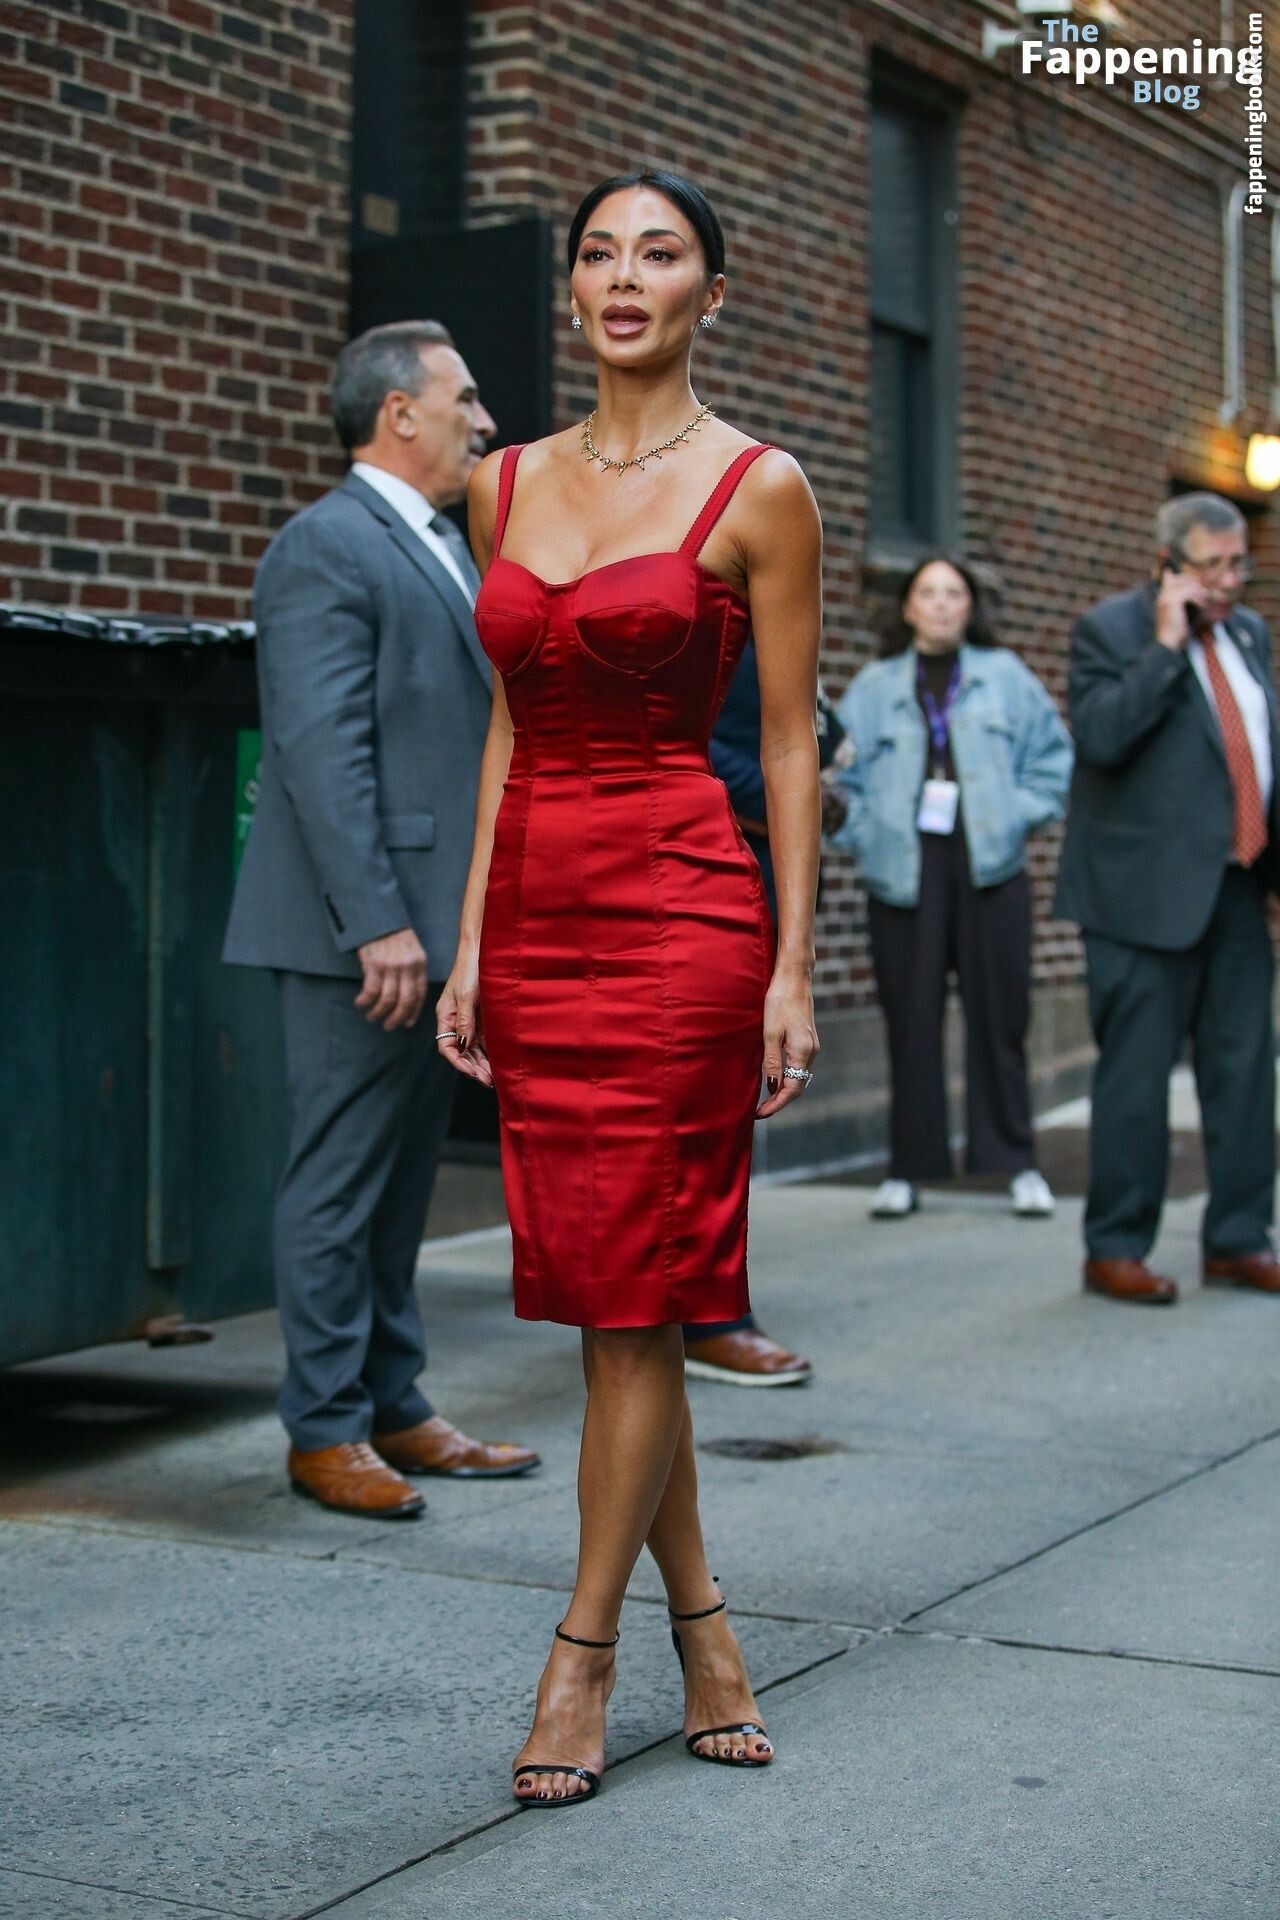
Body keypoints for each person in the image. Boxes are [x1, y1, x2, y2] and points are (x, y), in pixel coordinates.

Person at [437, 169, 822, 1805]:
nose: (622, 275)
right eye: (598, 252)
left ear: (707, 294)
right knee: (620, 1300)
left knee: (635, 1296)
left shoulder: (760, 487)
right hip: (539, 910)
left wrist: (794, 965)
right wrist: (472, 938)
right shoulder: (503, 480)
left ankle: (579, 1655)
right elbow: (507, 720)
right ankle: (707, 1629)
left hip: (681, 910)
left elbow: (790, 744)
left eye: (658, 254)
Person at [223, 321, 539, 1518]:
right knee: (336, 1184)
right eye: (465, 400)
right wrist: (376, 925)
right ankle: (324, 1429)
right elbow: (319, 753)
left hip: (427, 932)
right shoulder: (324, 545)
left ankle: (395, 1402)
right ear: (398, 413)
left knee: (402, 1183)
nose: (486, 423)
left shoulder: (444, 547)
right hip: (359, 940)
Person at [1054, 493, 1280, 1305]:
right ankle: (1114, 1247)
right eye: (1213, 567)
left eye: (1238, 565)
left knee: (1246, 1074)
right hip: (1139, 900)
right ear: (1168, 564)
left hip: (1235, 888)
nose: (1230, 581)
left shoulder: (1248, 633)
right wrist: (1165, 645)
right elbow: (1102, 737)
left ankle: (1239, 1239)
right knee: (1136, 1083)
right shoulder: (1109, 631)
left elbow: (1256, 751)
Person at [827, 556, 1072, 1220]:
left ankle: (1017, 1162)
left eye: (953, 593)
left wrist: (1016, 816)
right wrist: (869, 834)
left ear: (970, 606)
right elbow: (839, 780)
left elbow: (1052, 760)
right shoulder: (874, 687)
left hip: (991, 867)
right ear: (907, 607)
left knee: (1002, 1018)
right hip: (904, 872)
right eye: (927, 593)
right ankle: (908, 1170)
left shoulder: (1006, 677)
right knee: (910, 1022)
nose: (940, 604)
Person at [680, 633, 814, 1389]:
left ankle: (708, 1305)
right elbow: (680, 737)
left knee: (725, 1102)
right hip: (697, 851)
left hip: (751, 861)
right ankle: (707, 1316)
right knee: (706, 1105)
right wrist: (793, 792)